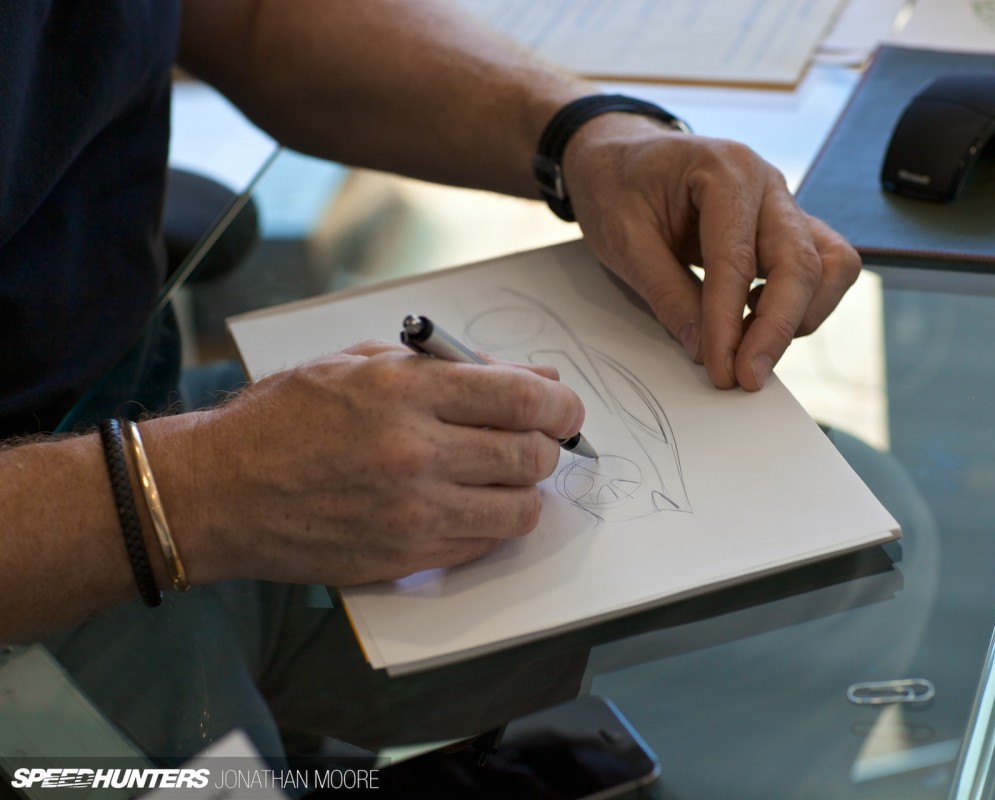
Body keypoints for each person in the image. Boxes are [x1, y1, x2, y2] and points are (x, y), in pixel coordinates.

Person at [0, 0, 860, 764]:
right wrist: (198, 488)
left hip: (149, 414)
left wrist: (590, 135)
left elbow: (251, 16)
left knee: (850, 564)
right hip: (49, 564)